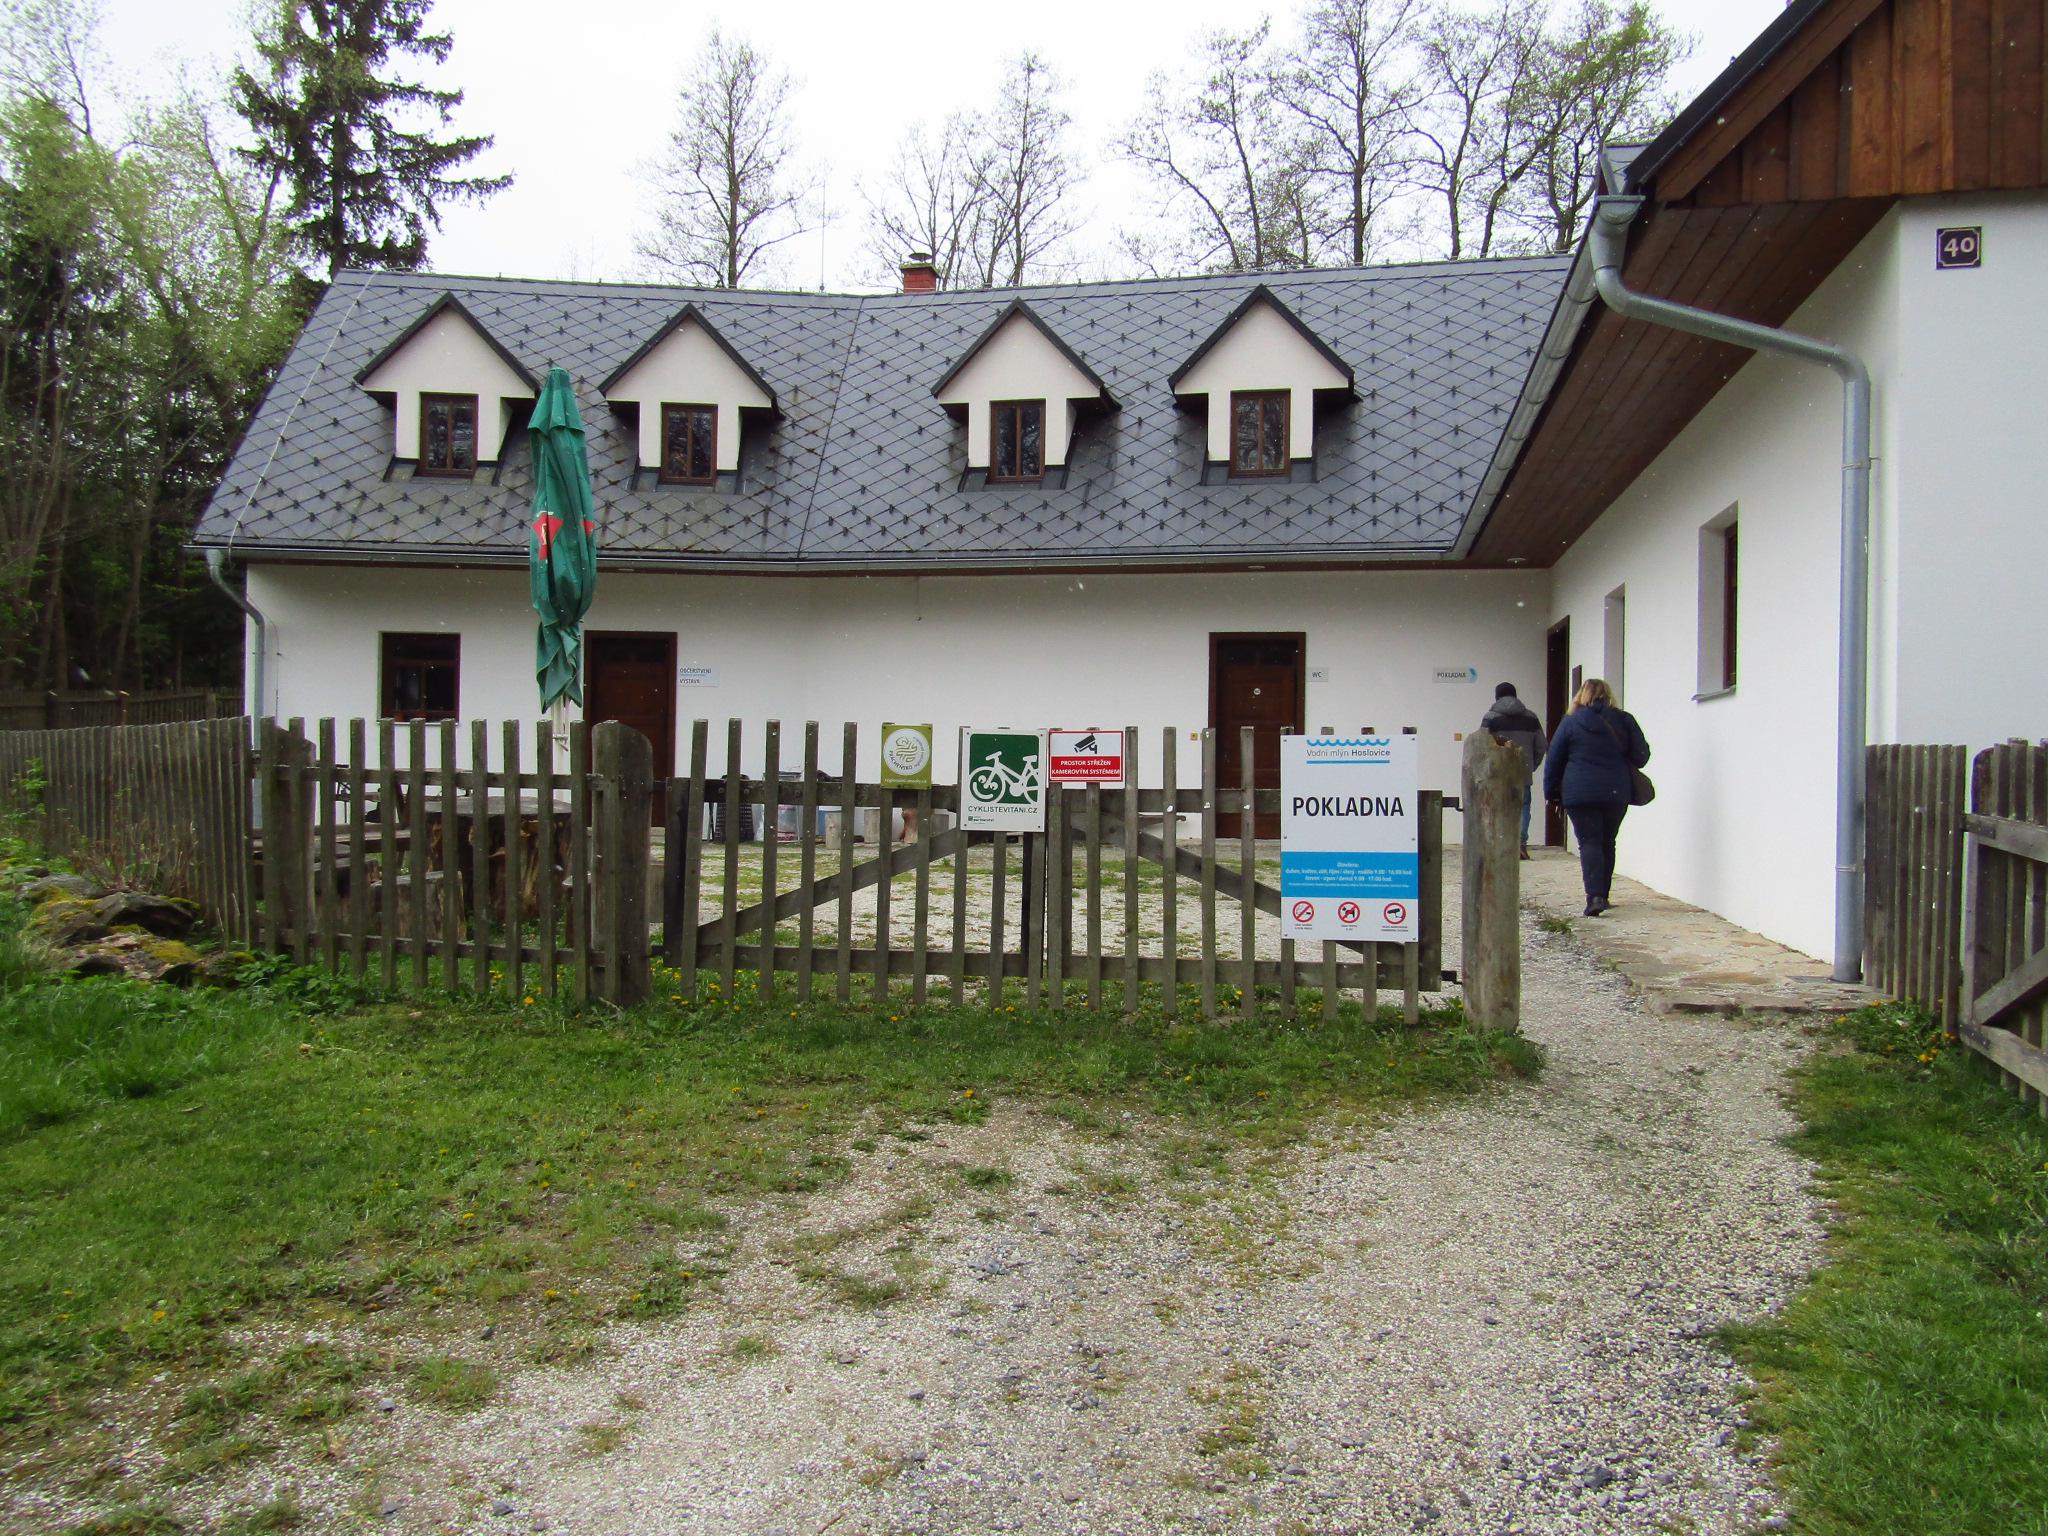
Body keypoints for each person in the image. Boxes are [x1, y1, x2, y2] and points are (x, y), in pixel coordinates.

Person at [1541, 678, 1650, 917]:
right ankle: (1604, 894)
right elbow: (1642, 756)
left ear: (1580, 696)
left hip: (1579, 794)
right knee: (1607, 841)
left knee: (1589, 842)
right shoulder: (1624, 720)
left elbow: (1554, 761)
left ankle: (1594, 897)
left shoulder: (1570, 724)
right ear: (1608, 696)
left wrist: (1550, 794)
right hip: (1615, 792)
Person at [1480, 681, 1546, 859]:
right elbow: (1541, 745)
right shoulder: (1531, 718)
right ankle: (1520, 845)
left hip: (1497, 772)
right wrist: (1532, 765)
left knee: (1497, 807)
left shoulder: (1491, 717)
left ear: (1497, 696)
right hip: (1522, 771)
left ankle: (1500, 844)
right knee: (1523, 807)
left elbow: (1481, 744)